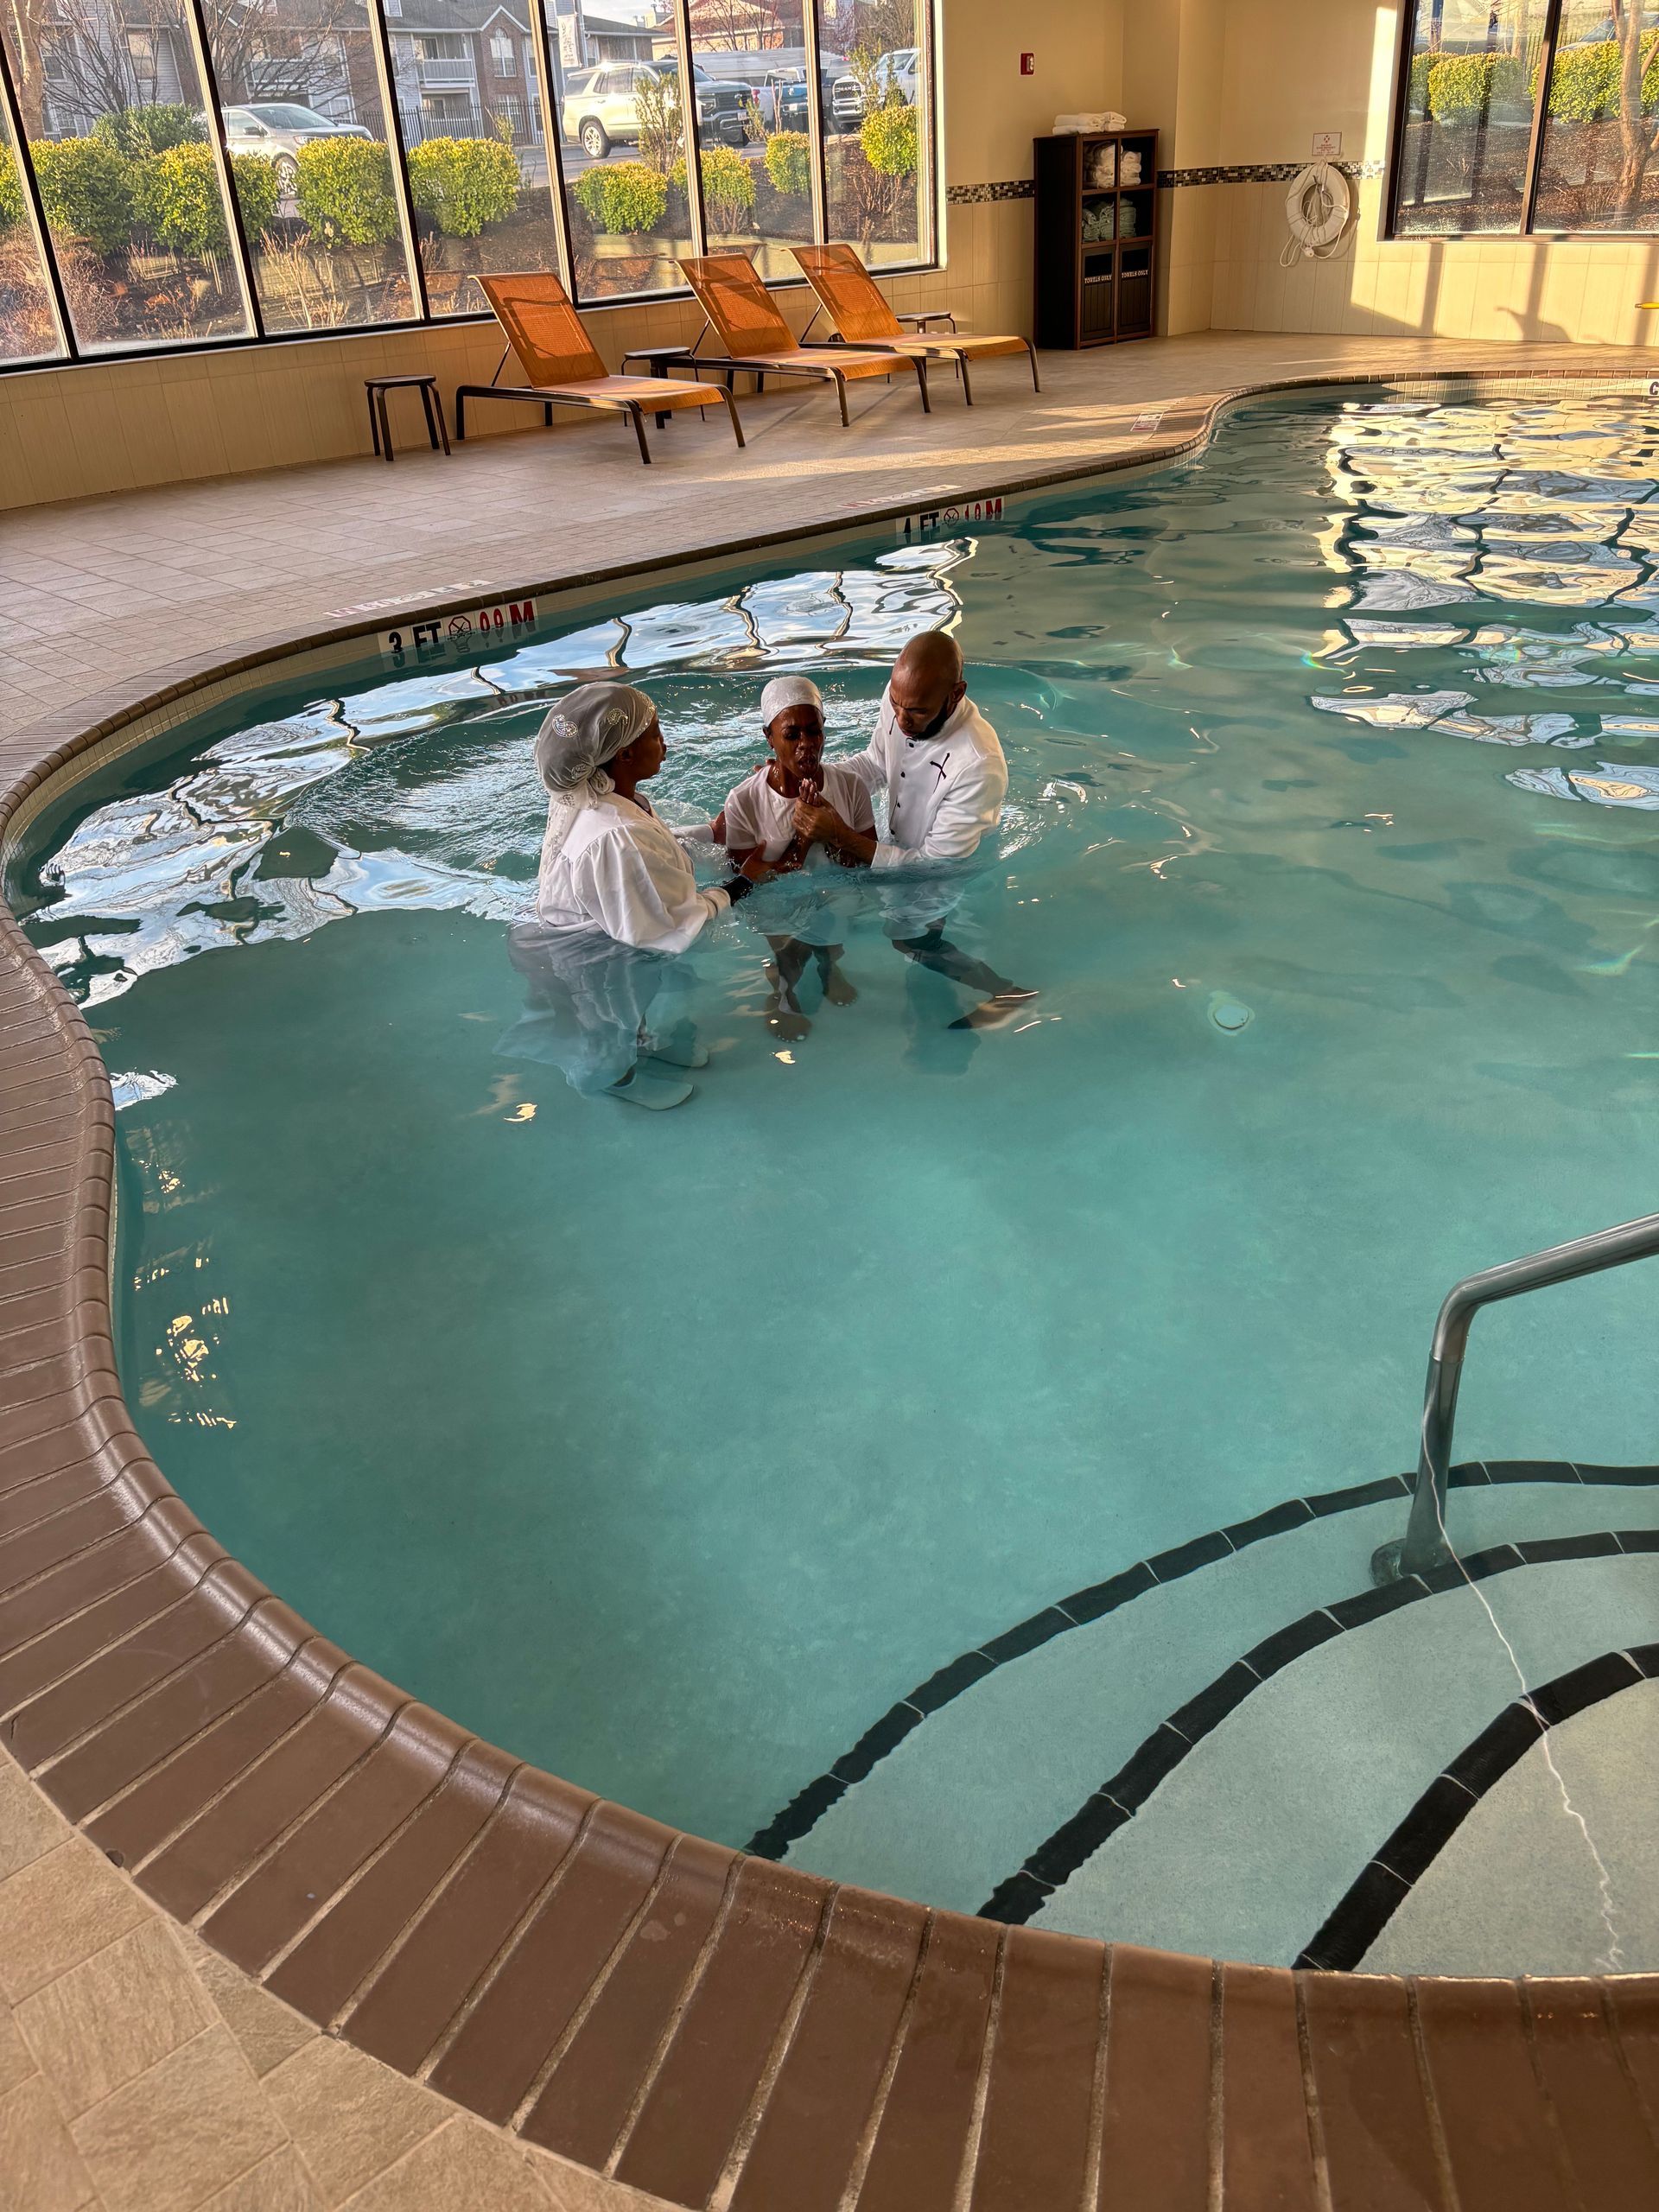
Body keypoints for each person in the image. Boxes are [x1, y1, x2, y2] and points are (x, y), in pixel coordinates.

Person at [506, 681, 752, 1110]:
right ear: (624, 755)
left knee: (631, 1000)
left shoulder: (602, 793)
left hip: (604, 930)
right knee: (607, 1013)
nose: (666, 745)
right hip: (590, 948)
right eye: (655, 735)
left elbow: (651, 842)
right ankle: (609, 1076)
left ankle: (643, 1041)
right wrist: (742, 885)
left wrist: (710, 834)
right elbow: (670, 928)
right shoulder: (614, 836)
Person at [791, 631, 1036, 1029]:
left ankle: (1009, 993)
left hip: (953, 863)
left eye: (917, 712)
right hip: (900, 845)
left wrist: (839, 835)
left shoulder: (977, 762)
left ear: (955, 695)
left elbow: (934, 866)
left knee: (910, 939)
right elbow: (873, 765)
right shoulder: (902, 696)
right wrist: (809, 778)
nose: (902, 720)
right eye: (896, 705)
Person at [717, 676, 874, 1039]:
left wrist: (833, 831)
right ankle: (785, 986)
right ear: (769, 738)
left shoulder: (850, 786)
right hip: (776, 901)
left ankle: (829, 967)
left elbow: (868, 862)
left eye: (814, 731)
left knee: (836, 921)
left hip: (833, 890)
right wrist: (801, 842)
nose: (807, 745)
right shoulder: (743, 801)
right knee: (787, 942)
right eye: (792, 735)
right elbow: (748, 883)